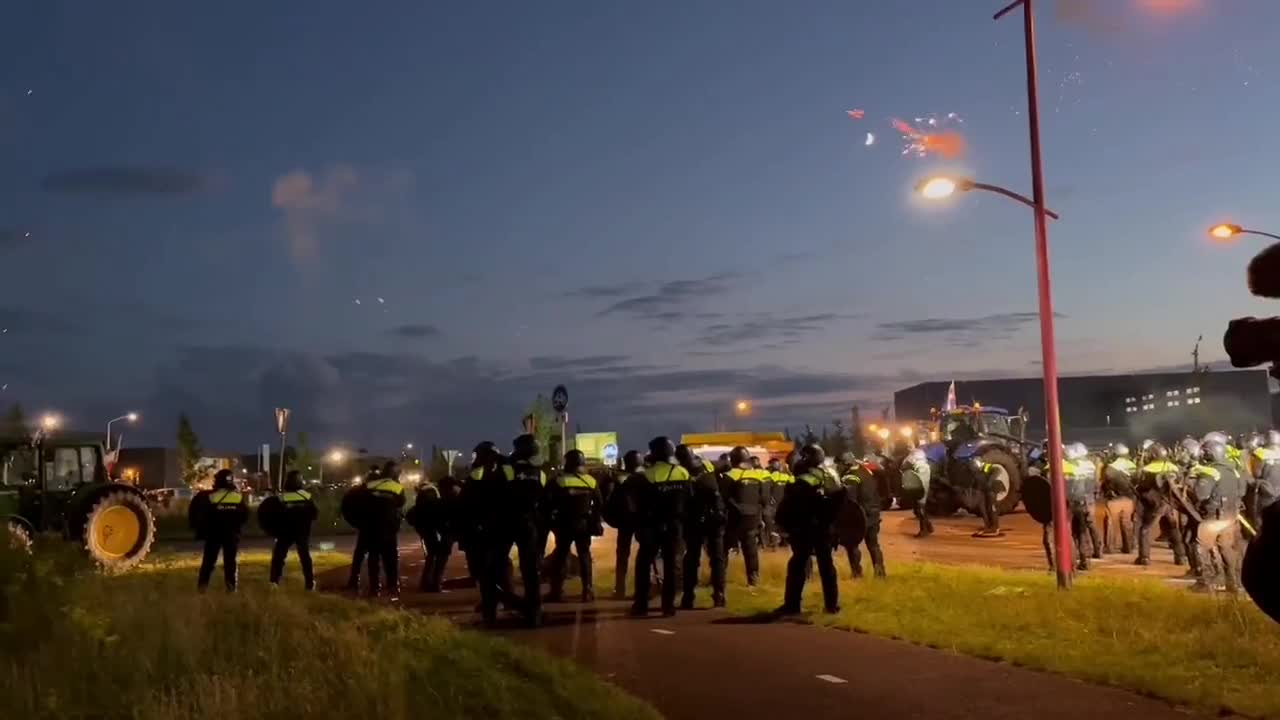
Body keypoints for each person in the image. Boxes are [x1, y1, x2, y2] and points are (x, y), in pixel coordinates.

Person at [777, 444, 842, 614]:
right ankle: (832, 605)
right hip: (826, 527)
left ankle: (792, 605)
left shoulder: (806, 479)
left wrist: (784, 523)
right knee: (827, 566)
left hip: (807, 527)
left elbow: (793, 503)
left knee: (797, 565)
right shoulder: (832, 475)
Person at [632, 436, 690, 617]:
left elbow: (639, 504)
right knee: (672, 565)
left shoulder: (648, 475)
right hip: (675, 526)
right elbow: (689, 500)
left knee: (644, 564)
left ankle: (641, 605)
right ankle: (668, 606)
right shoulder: (683, 473)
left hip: (652, 526)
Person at [498, 434, 547, 626]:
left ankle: (508, 601)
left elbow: (499, 493)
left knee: (499, 561)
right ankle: (534, 611)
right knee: (530, 569)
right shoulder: (540, 473)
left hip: (508, 521)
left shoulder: (507, 469)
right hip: (530, 523)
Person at [545, 450, 603, 603]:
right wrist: (595, 521)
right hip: (583, 524)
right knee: (584, 555)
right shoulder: (590, 481)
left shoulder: (558, 481)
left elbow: (547, 503)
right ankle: (588, 590)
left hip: (564, 524)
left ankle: (556, 591)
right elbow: (599, 503)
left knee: (561, 556)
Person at [677, 443, 726, 609]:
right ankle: (719, 594)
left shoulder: (681, 470)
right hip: (714, 515)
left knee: (692, 558)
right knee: (717, 558)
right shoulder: (706, 464)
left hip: (695, 518)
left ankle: (689, 596)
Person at [1195, 439, 1246, 593]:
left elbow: (1201, 495)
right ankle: (1233, 582)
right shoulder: (1235, 470)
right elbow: (1242, 492)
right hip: (1231, 517)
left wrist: (1197, 479)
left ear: (1211, 454)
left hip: (1214, 518)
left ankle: (1207, 582)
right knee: (1226, 549)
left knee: (1202, 546)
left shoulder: (1211, 471)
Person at [191, 469, 249, 592]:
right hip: (232, 535)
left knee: (208, 563)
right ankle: (231, 588)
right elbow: (244, 517)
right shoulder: (238, 498)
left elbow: (202, 516)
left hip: (214, 535)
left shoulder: (211, 497)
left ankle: (202, 588)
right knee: (231, 563)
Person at [1136, 443, 1186, 566]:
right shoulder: (1173, 467)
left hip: (1155, 506)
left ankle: (1144, 557)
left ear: (1153, 455)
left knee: (1145, 530)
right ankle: (1180, 557)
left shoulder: (1147, 469)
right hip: (1170, 504)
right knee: (1173, 528)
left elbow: (1141, 487)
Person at [724, 446, 768, 586]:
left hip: (734, 517)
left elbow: (723, 497)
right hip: (753, 517)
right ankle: (753, 578)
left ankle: (719, 578)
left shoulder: (730, 475)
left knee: (723, 549)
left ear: (733, 459)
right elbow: (764, 499)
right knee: (750, 549)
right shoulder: (758, 475)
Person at [838, 452, 885, 578]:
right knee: (873, 544)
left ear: (846, 463)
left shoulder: (850, 477)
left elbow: (849, 499)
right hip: (874, 512)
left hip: (860, 515)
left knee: (852, 543)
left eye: (839, 464)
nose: (838, 467)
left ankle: (857, 573)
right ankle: (880, 572)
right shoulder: (866, 471)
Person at [605, 450, 646, 599]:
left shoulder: (618, 478)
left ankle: (620, 588)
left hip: (624, 520)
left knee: (622, 555)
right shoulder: (645, 478)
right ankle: (642, 589)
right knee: (645, 556)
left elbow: (609, 499)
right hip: (642, 520)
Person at [269, 470, 319, 590]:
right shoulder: (306, 497)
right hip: (302, 532)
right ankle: (309, 583)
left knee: (279, 557)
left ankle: (274, 582)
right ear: (300, 481)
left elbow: (274, 516)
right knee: (305, 557)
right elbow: (314, 514)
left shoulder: (282, 498)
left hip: (285, 532)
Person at [406, 475, 455, 592]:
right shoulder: (441, 499)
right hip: (436, 530)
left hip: (429, 530)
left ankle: (429, 583)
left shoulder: (433, 499)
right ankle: (434, 583)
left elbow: (412, 516)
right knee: (439, 555)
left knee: (433, 556)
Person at [365, 461, 406, 598]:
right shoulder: (397, 487)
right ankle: (392, 585)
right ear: (394, 473)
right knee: (391, 559)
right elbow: (401, 502)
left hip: (372, 526)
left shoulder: (370, 485)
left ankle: (374, 587)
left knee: (373, 558)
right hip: (389, 527)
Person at [1063, 442, 1102, 570]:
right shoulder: (1090, 465)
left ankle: (1081, 559)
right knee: (1089, 526)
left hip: (1076, 502)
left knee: (1077, 532)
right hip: (1089, 499)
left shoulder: (1069, 466)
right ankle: (1097, 550)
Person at [342, 466, 378, 592]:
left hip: (364, 526)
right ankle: (374, 585)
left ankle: (354, 581)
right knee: (373, 556)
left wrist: (356, 523)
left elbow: (345, 506)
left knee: (359, 556)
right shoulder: (378, 492)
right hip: (374, 526)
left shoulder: (357, 491)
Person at [1100, 443, 1137, 554]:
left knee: (1110, 522)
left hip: (1114, 499)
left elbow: (1105, 482)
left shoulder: (1111, 467)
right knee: (1126, 522)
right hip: (1129, 498)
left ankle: (1110, 547)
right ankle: (1128, 547)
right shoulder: (1133, 465)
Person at [968, 457, 1006, 538]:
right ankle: (988, 526)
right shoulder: (975, 472)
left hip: (992, 489)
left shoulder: (985, 467)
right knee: (983, 509)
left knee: (991, 508)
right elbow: (976, 483)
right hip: (985, 491)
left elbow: (997, 470)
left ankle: (995, 527)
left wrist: (990, 481)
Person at [900, 448, 934, 538]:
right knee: (919, 509)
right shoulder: (917, 462)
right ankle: (928, 526)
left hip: (921, 487)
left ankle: (924, 530)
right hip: (919, 487)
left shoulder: (922, 467)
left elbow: (921, 483)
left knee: (920, 508)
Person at [763, 458, 788, 548]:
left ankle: (775, 539)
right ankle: (778, 539)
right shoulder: (785, 476)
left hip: (775, 503)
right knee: (777, 521)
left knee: (769, 519)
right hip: (778, 503)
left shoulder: (771, 476)